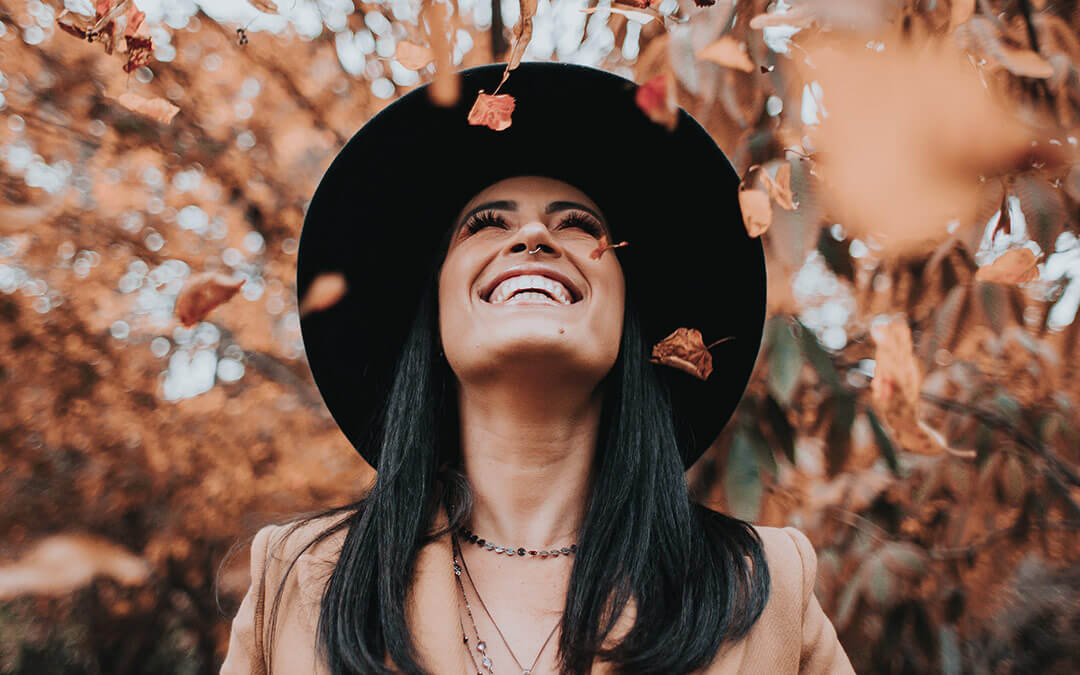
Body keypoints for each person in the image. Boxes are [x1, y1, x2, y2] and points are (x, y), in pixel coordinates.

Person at [219, 62, 854, 675]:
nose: (532, 237)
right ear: (434, 313)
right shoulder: (298, 580)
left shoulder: (767, 590)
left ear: (629, 320)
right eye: (484, 225)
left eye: (577, 226)